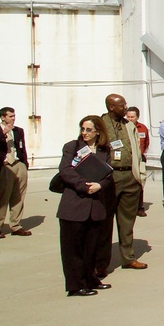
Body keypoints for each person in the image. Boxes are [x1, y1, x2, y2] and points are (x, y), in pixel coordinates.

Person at [57, 116, 115, 296]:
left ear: (98, 131)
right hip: (74, 205)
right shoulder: (72, 147)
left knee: (91, 247)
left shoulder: (105, 150)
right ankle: (75, 285)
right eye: (83, 128)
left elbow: (109, 174)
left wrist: (100, 186)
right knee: (73, 249)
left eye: (89, 129)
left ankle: (91, 279)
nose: (84, 132)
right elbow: (65, 171)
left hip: (95, 205)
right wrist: (84, 186)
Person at [97, 93, 148, 272]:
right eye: (122, 105)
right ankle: (101, 264)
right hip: (109, 178)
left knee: (127, 222)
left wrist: (139, 175)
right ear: (111, 107)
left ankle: (128, 258)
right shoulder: (100, 124)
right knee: (104, 223)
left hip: (129, 177)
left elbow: (138, 150)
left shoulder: (129, 125)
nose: (125, 108)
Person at [0, 107, 31, 238]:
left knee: (19, 196)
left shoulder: (19, 131)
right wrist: (3, 133)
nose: (13, 118)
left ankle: (16, 226)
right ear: (3, 117)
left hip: (18, 164)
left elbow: (22, 147)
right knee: (2, 198)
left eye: (14, 116)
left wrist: (24, 164)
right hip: (3, 166)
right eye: (10, 116)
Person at [126, 105, 150, 218]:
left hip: (140, 159)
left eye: (132, 117)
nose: (130, 119)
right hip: (128, 160)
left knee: (140, 182)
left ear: (137, 117)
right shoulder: (124, 128)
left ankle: (139, 207)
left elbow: (146, 143)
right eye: (128, 116)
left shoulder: (143, 128)